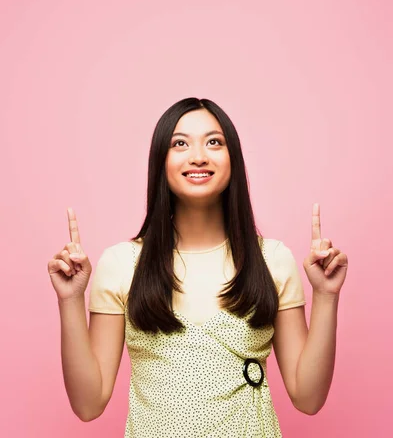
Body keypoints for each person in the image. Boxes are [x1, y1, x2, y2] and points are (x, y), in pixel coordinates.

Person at [48, 97, 348, 437]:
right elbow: (88, 405)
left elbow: (308, 398)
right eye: (180, 143)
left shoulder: (273, 260)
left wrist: (325, 295)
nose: (199, 156)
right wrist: (70, 300)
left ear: (232, 158)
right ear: (160, 162)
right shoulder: (121, 264)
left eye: (214, 142)